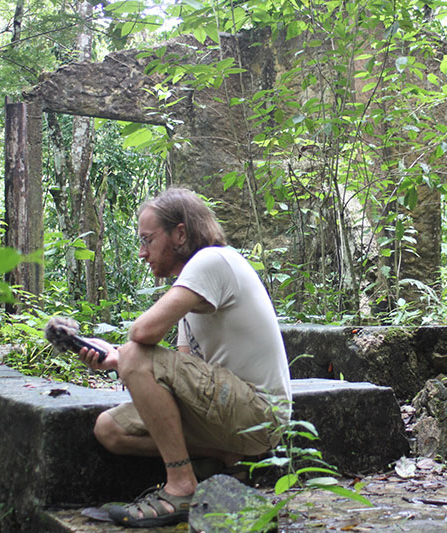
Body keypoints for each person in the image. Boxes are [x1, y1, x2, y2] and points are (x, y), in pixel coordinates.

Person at [78, 188, 292, 528]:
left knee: (134, 351)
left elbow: (142, 335)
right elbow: (183, 372)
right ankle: (224, 458)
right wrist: (115, 359)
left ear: (180, 233)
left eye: (147, 239)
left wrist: (123, 356)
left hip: (259, 412)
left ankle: (181, 485)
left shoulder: (212, 260)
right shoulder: (191, 294)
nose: (141, 253)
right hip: (226, 415)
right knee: (110, 429)